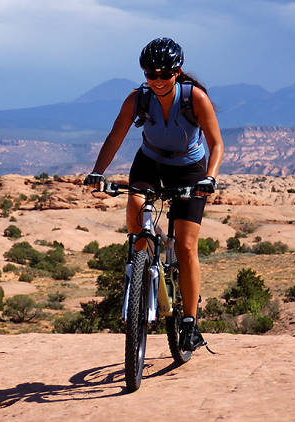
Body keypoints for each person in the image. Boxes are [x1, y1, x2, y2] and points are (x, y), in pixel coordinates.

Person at [84, 37, 224, 352]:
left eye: (165, 74)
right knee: (135, 222)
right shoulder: (138, 98)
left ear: (178, 72)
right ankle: (148, 254)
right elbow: (116, 134)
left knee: (187, 247)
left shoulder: (195, 98)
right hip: (150, 163)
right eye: (151, 74)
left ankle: (189, 321)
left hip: (189, 169)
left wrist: (210, 177)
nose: (158, 80)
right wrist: (98, 171)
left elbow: (216, 143)